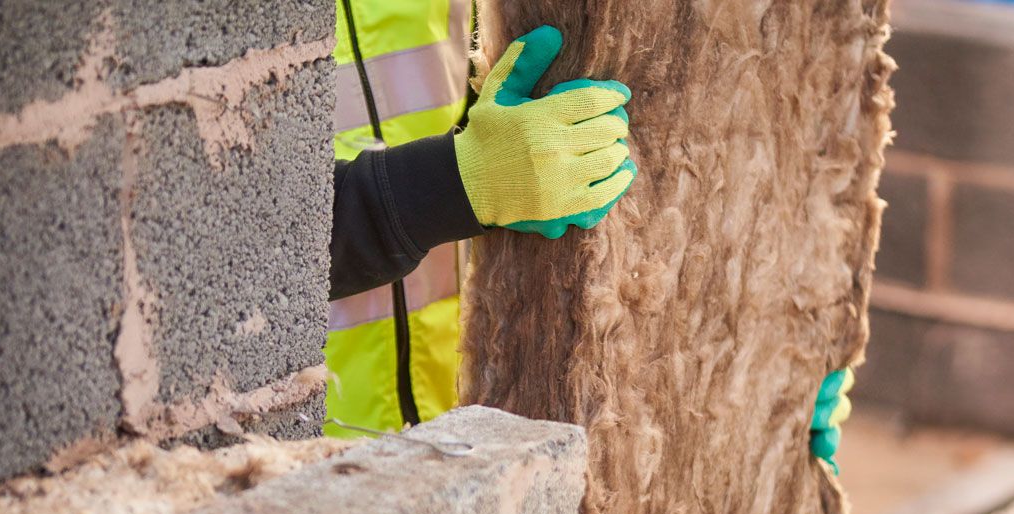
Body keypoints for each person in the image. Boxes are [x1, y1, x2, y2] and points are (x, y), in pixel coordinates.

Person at [327, 9, 852, 470]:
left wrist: (769, 368)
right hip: (298, 457)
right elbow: (249, 250)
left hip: (458, 433)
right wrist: (444, 186)